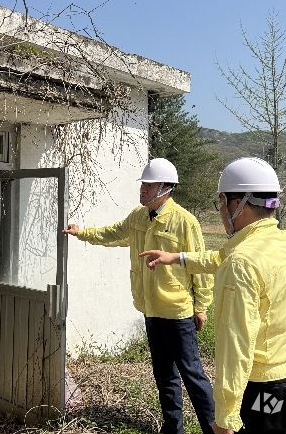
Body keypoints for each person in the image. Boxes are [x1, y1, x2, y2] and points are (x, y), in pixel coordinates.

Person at [140, 157, 286, 434]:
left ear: (239, 203)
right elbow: (219, 257)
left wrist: (225, 416)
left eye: (221, 201)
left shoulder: (241, 263)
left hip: (266, 389)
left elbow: (236, 347)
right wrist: (176, 257)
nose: (221, 210)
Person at [63, 158, 216, 434]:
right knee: (164, 375)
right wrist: (82, 233)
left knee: (192, 375)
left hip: (177, 312)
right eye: (143, 185)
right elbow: (113, 233)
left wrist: (202, 306)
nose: (142, 190)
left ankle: (213, 429)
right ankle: (173, 428)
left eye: (148, 185)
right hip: (151, 310)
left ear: (165, 188)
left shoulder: (185, 221)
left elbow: (199, 265)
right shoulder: (138, 217)